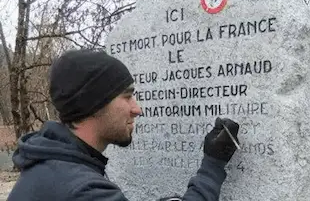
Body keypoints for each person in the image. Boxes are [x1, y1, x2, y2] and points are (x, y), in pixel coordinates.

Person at [7, 49, 240, 201]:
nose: (137, 109)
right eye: (127, 96)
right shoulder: (83, 190)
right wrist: (212, 165)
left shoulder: (50, 167)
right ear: (94, 104)